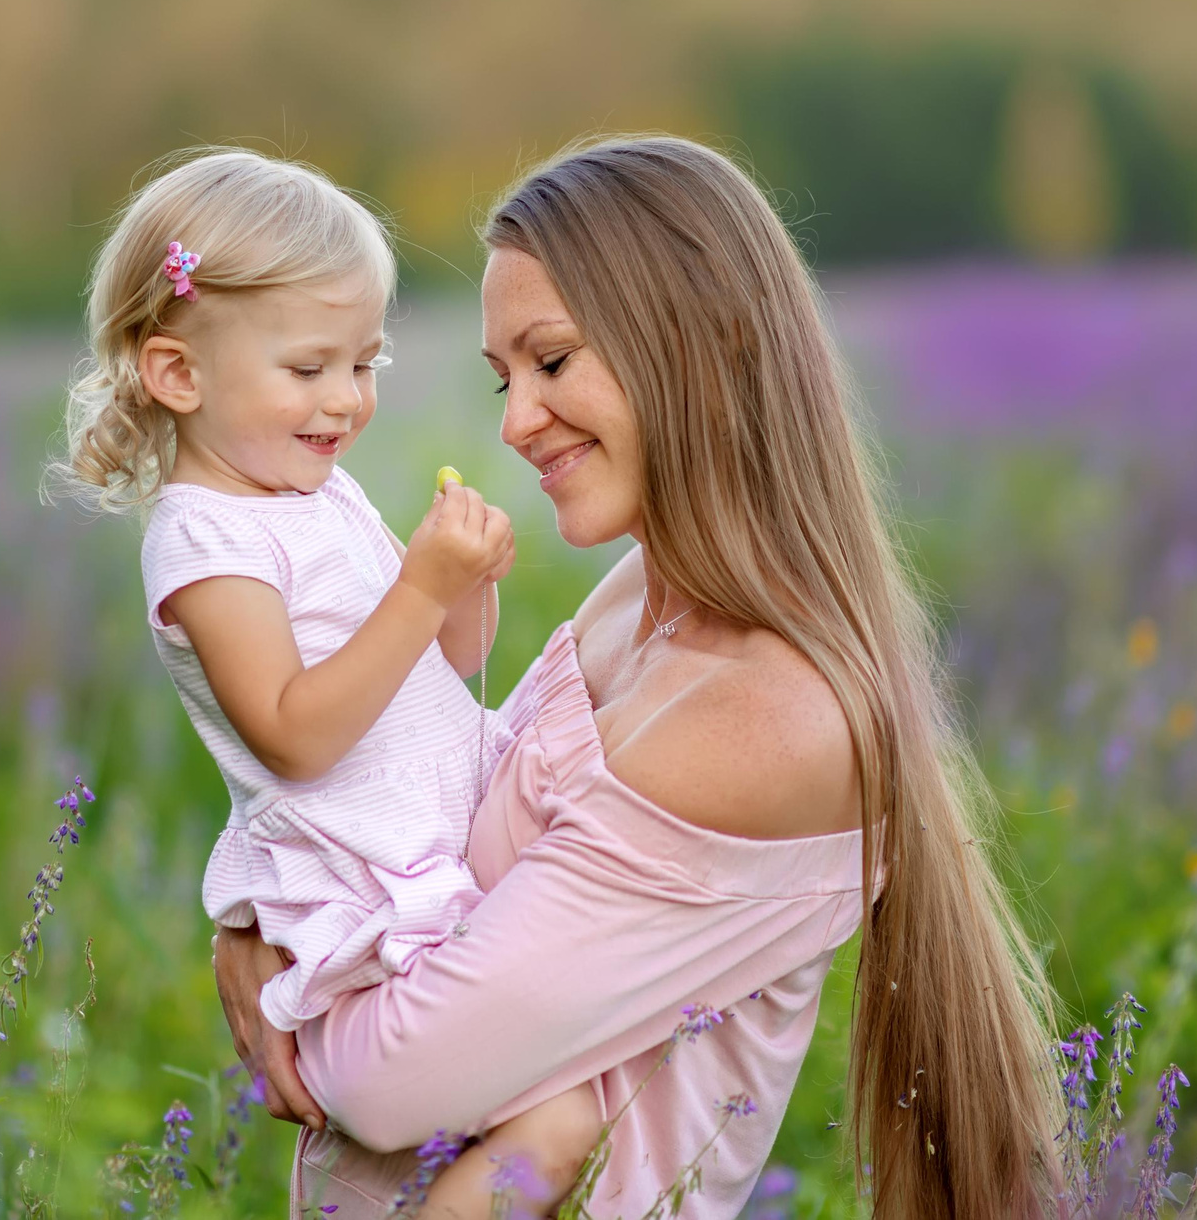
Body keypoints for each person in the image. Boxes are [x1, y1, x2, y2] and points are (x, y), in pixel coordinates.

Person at [214, 136, 1059, 1218]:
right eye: (502, 376)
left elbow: (387, 1088)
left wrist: (287, 974)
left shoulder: (762, 723)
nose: (516, 420)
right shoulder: (633, 600)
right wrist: (247, 916)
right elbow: (407, 827)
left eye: (552, 360)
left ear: (704, 343)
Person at [59, 148, 605, 1217]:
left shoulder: (315, 490)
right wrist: (418, 584)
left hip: (438, 845)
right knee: (546, 1121)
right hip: (366, 891)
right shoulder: (205, 538)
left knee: (515, 1128)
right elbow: (294, 732)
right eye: (309, 368)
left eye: (365, 363)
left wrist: (461, 588)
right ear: (180, 373)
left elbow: (438, 666)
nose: (346, 401)